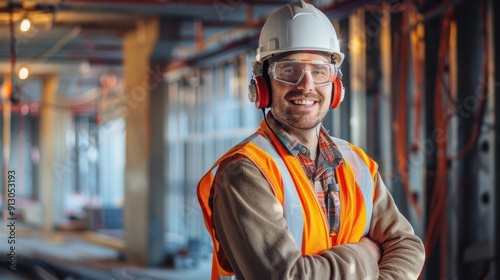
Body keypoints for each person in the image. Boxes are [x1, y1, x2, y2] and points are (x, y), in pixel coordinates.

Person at [197, 1, 425, 279]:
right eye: (289, 70)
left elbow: (407, 245)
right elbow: (287, 276)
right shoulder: (245, 172)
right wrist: (366, 254)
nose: (306, 85)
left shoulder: (357, 164)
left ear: (335, 85)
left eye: (319, 71)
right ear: (263, 84)